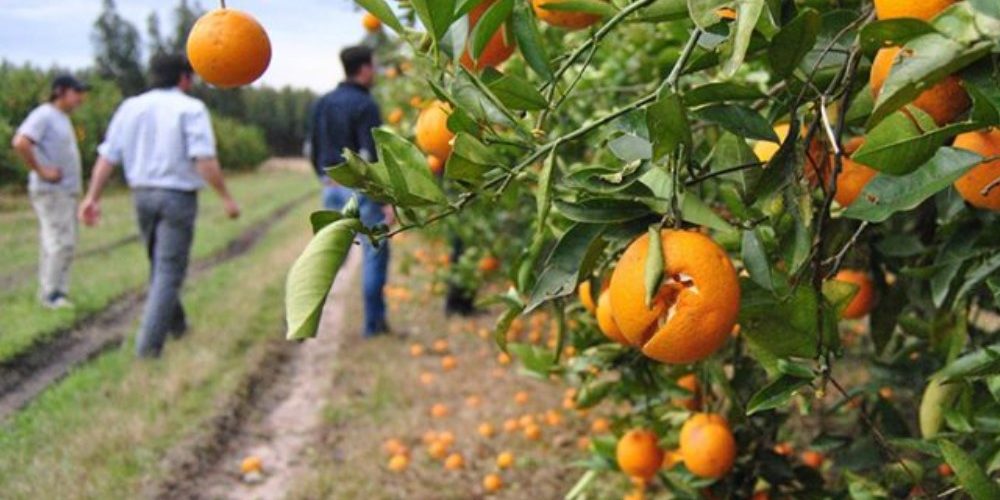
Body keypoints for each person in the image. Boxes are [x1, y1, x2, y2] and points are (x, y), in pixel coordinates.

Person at [78, 54, 241, 358]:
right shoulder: (191, 108)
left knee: (160, 264)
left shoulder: (130, 107)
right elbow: (204, 160)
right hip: (176, 196)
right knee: (168, 270)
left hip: (141, 195)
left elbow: (108, 156)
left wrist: (92, 197)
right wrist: (226, 198)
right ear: (184, 78)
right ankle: (148, 350)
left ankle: (178, 327)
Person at [310, 45, 394, 337]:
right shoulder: (365, 105)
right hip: (359, 190)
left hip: (330, 186)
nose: (376, 72)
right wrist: (385, 199)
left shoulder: (323, 103)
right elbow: (370, 157)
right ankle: (374, 326)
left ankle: (301, 314)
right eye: (374, 66)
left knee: (330, 256)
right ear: (364, 68)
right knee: (374, 252)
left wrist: (324, 178)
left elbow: (314, 148)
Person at [11, 75, 89, 309]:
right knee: (60, 242)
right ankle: (52, 294)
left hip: (64, 192)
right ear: (61, 91)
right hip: (51, 191)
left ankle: (55, 291)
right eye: (76, 92)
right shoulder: (44, 115)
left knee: (58, 242)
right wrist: (42, 171)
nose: (80, 98)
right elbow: (21, 142)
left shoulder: (62, 118)